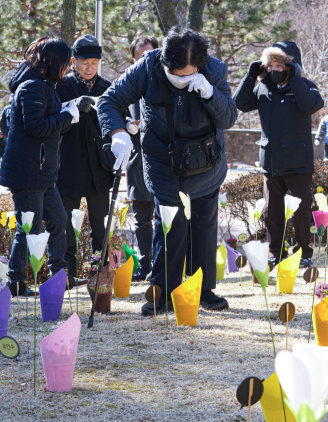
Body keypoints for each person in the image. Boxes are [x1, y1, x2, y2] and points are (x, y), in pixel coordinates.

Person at [98, 27, 237, 315]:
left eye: (189, 74)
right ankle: (162, 294)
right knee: (168, 226)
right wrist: (117, 132)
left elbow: (228, 118)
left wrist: (211, 94)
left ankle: (203, 289)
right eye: (177, 74)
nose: (182, 80)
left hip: (206, 163)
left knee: (203, 226)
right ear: (164, 61)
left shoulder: (214, 71)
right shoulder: (148, 67)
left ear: (200, 64)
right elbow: (109, 100)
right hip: (163, 162)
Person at [0, 37, 79, 295]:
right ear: (52, 60)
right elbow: (36, 126)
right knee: (29, 228)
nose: (68, 67)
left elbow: (46, 115)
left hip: (41, 171)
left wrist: (69, 109)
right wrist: (68, 116)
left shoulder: (44, 85)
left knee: (58, 219)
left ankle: (59, 276)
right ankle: (17, 282)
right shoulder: (32, 86)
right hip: (28, 173)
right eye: (65, 62)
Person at [234, 41, 323, 267]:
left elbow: (311, 105)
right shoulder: (264, 86)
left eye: (279, 65)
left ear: (291, 66)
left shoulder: (305, 86)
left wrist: (295, 78)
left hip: (297, 162)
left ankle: (304, 254)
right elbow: (241, 103)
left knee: (302, 211)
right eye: (269, 64)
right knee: (271, 211)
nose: (273, 69)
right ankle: (275, 252)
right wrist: (251, 75)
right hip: (271, 162)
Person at [56, 34, 114, 286]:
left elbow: (116, 120)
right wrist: (73, 105)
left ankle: (98, 274)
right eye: (84, 62)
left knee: (100, 227)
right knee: (67, 226)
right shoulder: (61, 86)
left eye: (94, 62)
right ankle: (67, 274)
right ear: (73, 61)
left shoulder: (108, 87)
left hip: (98, 167)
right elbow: (52, 117)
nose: (90, 67)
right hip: (68, 165)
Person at [125, 36, 159, 282]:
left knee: (166, 216)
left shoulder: (168, 80)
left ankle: (164, 263)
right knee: (141, 219)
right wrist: (127, 124)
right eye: (140, 56)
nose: (146, 60)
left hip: (163, 161)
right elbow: (113, 111)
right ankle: (145, 263)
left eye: (150, 54)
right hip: (137, 159)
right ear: (133, 58)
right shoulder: (126, 83)